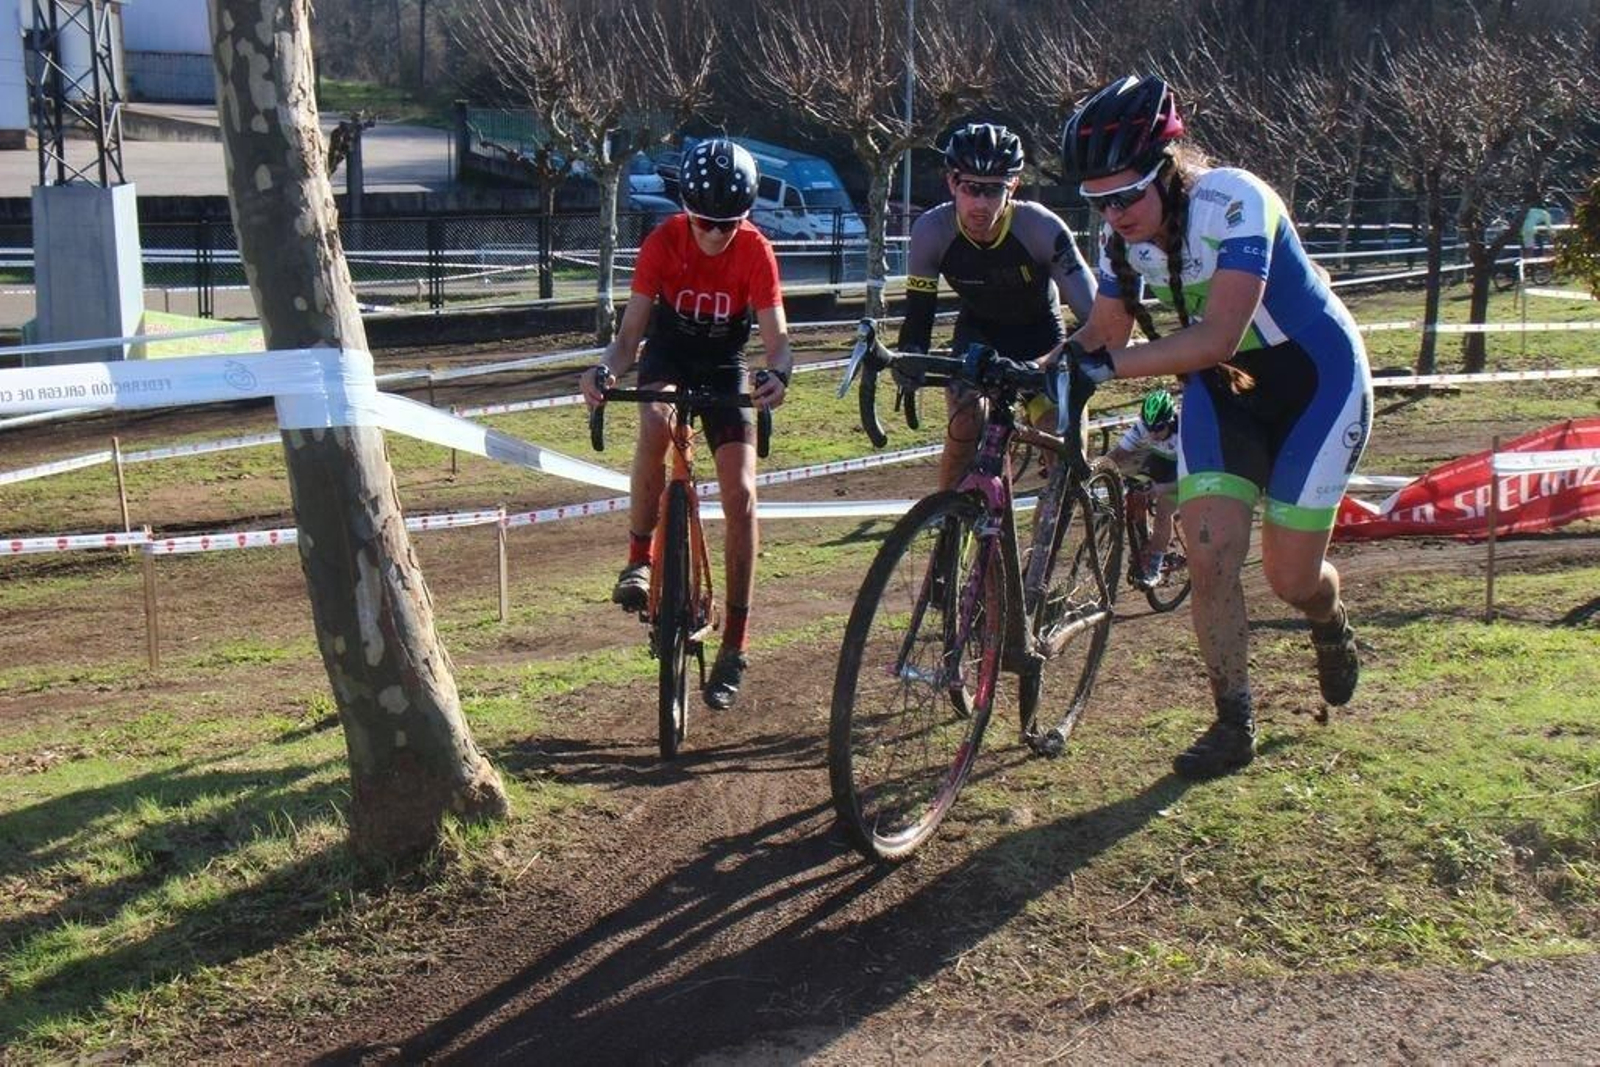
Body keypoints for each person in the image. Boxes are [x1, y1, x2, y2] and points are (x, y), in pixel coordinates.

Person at [1058, 75, 1373, 779]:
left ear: (1167, 170)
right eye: (1098, 201)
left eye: (1127, 195)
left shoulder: (1234, 202)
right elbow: (1103, 329)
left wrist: (1104, 370)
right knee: (1209, 554)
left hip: (1316, 389)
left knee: (1293, 577)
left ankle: (1329, 617)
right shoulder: (1124, 242)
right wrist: (1037, 367)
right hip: (1226, 398)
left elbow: (1221, 335)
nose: (1114, 214)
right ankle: (1234, 721)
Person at [581, 139, 793, 711]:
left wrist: (777, 375)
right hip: (669, 355)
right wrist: (603, 370)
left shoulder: (756, 250)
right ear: (687, 209)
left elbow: (778, 344)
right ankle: (639, 561)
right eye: (704, 221)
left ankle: (736, 643)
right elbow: (628, 340)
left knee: (742, 494)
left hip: (725, 366)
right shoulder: (664, 241)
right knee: (653, 420)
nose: (715, 234)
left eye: (728, 224)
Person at [897, 122, 1097, 490]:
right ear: (952, 183)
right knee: (964, 430)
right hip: (979, 337)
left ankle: (1046, 541)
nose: (980, 203)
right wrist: (910, 358)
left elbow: (1096, 315)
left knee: (1065, 455)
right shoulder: (932, 231)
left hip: (1042, 341)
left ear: (1013, 187)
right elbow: (918, 318)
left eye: (993, 190)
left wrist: (1056, 361)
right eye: (971, 188)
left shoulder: (1040, 228)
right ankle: (948, 528)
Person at [1099, 387, 1182, 588]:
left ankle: (1154, 566)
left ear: (1171, 421)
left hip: (1183, 469)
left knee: (1164, 511)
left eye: (1159, 428)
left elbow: (1190, 476)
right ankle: (1145, 540)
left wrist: (1161, 490)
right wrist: (1093, 472)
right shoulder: (1143, 428)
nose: (1152, 433)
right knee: (1136, 491)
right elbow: (1118, 455)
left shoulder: (1185, 432)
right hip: (1159, 461)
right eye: (1149, 427)